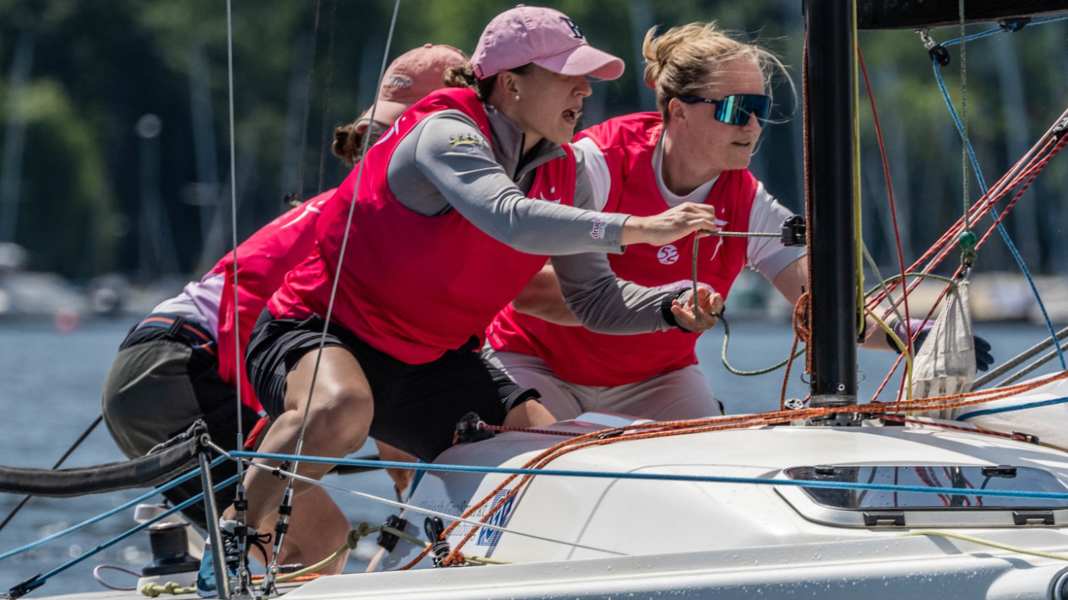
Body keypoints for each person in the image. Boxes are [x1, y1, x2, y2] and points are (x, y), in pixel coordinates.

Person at [237, 5, 726, 574]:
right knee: (341, 408)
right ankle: (233, 544)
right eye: (568, 76)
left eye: (588, 78)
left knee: (552, 456)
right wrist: (638, 227)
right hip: (319, 332)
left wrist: (670, 305)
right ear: (511, 84)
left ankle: (487, 574)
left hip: (432, 359)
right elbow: (508, 216)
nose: (585, 90)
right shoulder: (444, 132)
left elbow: (595, 300)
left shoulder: (566, 171)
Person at [485, 22, 994, 422]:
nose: (752, 125)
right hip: (540, 364)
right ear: (678, 112)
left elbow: (818, 306)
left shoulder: (748, 201)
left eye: (760, 108)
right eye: (735, 109)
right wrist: (665, 307)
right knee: (538, 455)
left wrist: (910, 334)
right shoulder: (595, 164)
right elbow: (527, 290)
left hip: (656, 380)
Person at [100, 43, 467, 576]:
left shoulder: (357, 210)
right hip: (181, 370)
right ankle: (224, 573)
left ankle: (228, 573)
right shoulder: (367, 218)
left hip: (167, 366)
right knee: (316, 541)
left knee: (303, 541)